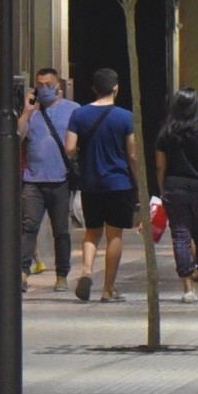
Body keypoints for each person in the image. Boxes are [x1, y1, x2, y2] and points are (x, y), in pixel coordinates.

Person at [66, 68, 137, 302]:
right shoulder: (126, 117)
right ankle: (108, 290)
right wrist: (137, 180)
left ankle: (86, 271)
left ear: (94, 89)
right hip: (118, 183)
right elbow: (133, 154)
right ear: (116, 88)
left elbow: (69, 148)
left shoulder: (79, 115)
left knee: (92, 231)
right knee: (114, 235)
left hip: (90, 183)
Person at [155, 89, 198, 302]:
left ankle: (187, 290)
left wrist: (163, 189)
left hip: (175, 189)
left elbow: (159, 166)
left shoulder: (166, 133)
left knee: (181, 237)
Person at [21, 66, 79, 289]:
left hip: (60, 179)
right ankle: (23, 273)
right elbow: (18, 135)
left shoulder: (73, 110)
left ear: (58, 86)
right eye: (39, 85)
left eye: (47, 85)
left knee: (61, 231)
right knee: (29, 227)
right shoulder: (32, 112)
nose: (43, 89)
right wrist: (27, 111)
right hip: (33, 180)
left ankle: (62, 276)